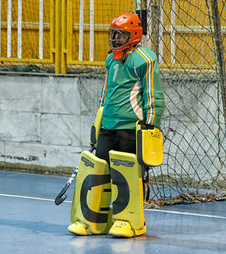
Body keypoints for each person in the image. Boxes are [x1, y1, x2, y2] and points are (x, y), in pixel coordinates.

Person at [67, 12, 165, 238]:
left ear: (134, 35)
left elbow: (154, 95)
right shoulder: (111, 59)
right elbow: (106, 94)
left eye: (121, 35)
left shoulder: (145, 59)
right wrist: (97, 123)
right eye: (113, 34)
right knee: (97, 173)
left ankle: (128, 221)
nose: (115, 39)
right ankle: (92, 220)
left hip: (131, 128)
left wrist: (151, 126)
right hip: (108, 126)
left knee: (125, 175)